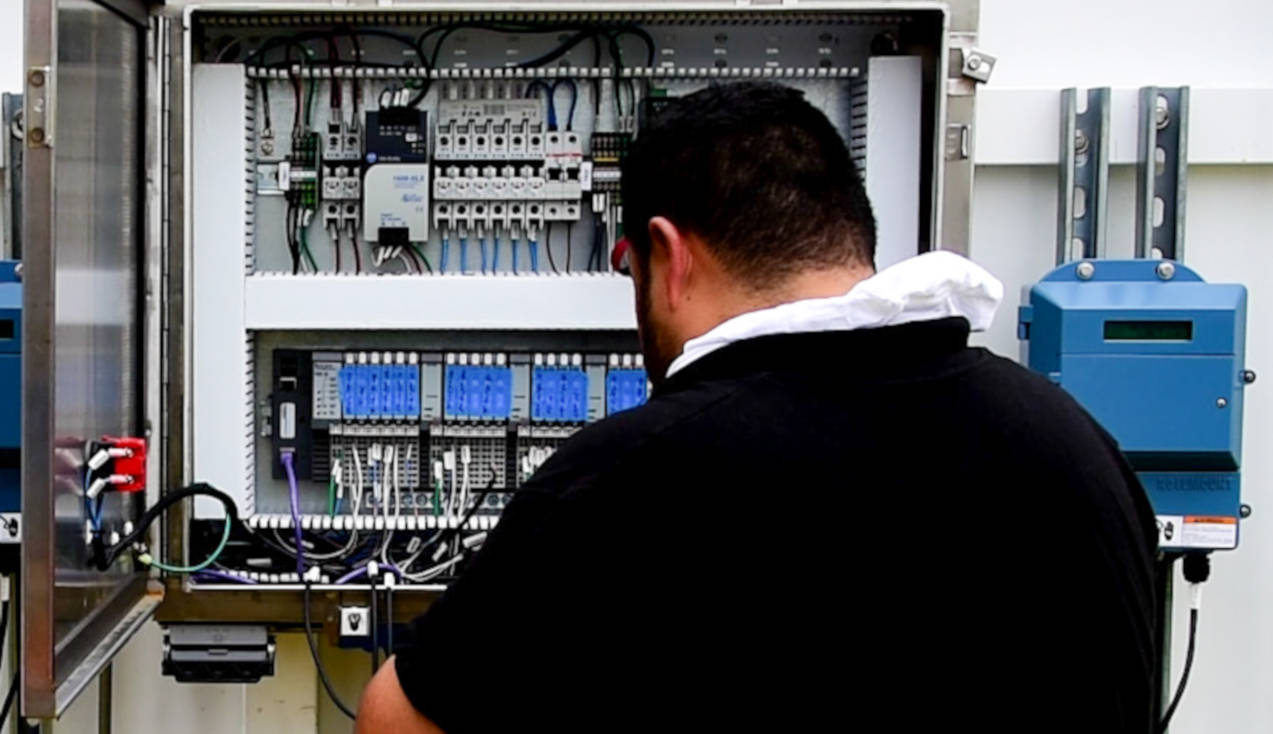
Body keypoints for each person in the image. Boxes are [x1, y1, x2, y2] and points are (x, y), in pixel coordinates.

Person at [355, 82, 1158, 733]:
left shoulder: (634, 476)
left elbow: (397, 722)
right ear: (848, 238)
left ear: (667, 255)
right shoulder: (1076, 446)